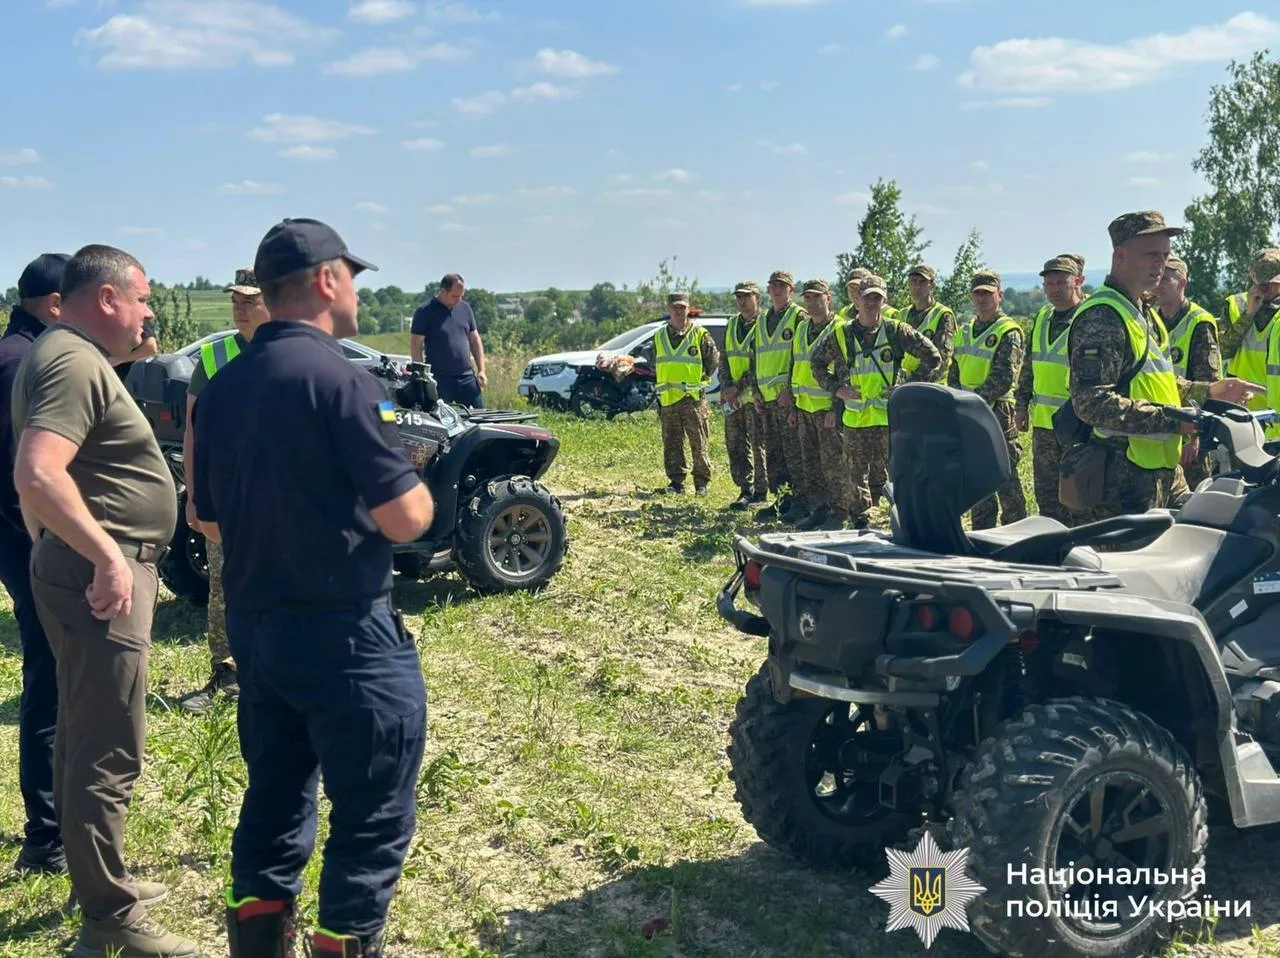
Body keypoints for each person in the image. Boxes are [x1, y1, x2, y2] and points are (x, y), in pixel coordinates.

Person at [193, 217, 435, 957]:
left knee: (273, 798)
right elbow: (405, 520)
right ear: (328, 281)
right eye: (353, 277)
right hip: (345, 636)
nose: (358, 291)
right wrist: (414, 479)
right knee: (369, 818)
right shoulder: (342, 379)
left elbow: (204, 516)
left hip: (260, 629)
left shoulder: (223, 385)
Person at [12, 244, 194, 957]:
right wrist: (107, 555)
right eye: (142, 298)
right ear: (109, 297)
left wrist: (58, 545)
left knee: (85, 733)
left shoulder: (66, 355)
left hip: (84, 568)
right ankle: (109, 921)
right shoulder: (71, 360)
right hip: (102, 576)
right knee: (107, 746)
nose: (149, 312)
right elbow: (37, 471)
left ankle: (100, 882)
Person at [1063, 211, 1257, 519]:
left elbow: (1157, 382)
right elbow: (1091, 403)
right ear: (1121, 256)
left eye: (1165, 256)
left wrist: (1208, 391)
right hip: (1121, 482)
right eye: (1151, 255)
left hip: (1162, 471)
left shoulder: (1144, 312)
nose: (1160, 264)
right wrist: (1174, 422)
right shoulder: (1103, 315)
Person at [176, 267, 273, 715]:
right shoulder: (213, 357)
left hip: (280, 500)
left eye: (250, 300)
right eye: (236, 299)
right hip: (228, 500)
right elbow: (192, 434)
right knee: (223, 585)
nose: (240, 307)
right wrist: (194, 497)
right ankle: (228, 673)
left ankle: (276, 670)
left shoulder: (290, 353)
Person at [0, 254, 68, 876]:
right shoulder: (26, 365)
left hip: (21, 544)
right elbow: (22, 474)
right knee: (48, 689)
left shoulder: (13, 353)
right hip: (31, 548)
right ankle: (46, 836)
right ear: (54, 306)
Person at [813, 274, 941, 528]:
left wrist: (906, 388)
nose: (871, 303)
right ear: (857, 299)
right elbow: (816, 364)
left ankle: (905, 519)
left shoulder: (896, 331)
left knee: (898, 472)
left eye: (877, 298)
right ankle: (861, 521)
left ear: (884, 301)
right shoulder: (842, 335)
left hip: (889, 418)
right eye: (867, 297)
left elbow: (933, 358)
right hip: (856, 418)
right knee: (854, 475)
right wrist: (837, 389)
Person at [949, 269, 1028, 529]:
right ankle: (983, 532)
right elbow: (954, 370)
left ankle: (1016, 531)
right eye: (977, 293)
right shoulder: (965, 330)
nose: (982, 298)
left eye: (987, 293)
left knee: (1005, 474)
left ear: (999, 295)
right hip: (967, 411)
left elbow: (1003, 378)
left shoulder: (1008, 331)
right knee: (976, 474)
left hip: (997, 411)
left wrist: (968, 402)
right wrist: (956, 401)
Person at [1015, 254, 1086, 525]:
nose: (1055, 289)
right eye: (1050, 284)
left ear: (1077, 282)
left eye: (1061, 282)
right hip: (1044, 425)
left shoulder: (1089, 317)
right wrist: (1021, 405)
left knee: (1079, 499)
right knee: (1048, 500)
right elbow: (1030, 365)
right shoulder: (1043, 317)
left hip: (1077, 425)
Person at [1152, 255, 1222, 491]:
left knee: (1195, 500)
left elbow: (1208, 383)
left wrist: (1197, 437)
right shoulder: (1150, 320)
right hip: (1158, 427)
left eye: (1166, 279)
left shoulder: (1199, 322)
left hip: (1190, 433)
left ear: (1182, 283)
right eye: (1156, 278)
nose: (1158, 285)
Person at [744, 270, 806, 520]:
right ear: (768, 290)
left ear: (791, 290)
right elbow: (754, 357)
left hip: (786, 398)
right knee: (774, 454)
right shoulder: (761, 321)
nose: (777, 290)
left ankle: (800, 502)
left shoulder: (798, 317)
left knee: (795, 454)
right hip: (766, 401)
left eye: (783, 286)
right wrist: (755, 391)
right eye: (773, 286)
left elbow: (801, 356)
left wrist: (791, 391)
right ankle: (781, 500)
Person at [787, 279, 845, 530]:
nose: (812, 302)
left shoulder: (840, 328)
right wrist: (793, 406)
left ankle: (839, 512)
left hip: (826, 409)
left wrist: (836, 407)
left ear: (828, 299)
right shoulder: (801, 328)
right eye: (807, 298)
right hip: (804, 407)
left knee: (834, 464)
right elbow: (795, 367)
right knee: (811, 464)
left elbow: (845, 372)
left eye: (817, 297)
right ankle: (818, 510)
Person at [654, 291, 718, 495]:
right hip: (669, 399)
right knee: (672, 442)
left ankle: (702, 484)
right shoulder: (659, 336)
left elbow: (712, 362)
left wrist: (698, 381)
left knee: (698, 443)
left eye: (682, 307)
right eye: (675, 308)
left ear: (688, 309)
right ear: (669, 309)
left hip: (692, 399)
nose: (679, 311)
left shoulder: (700, 335)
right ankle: (676, 483)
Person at [718, 281, 768, 509]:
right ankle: (744, 489)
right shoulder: (732, 324)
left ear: (757, 297)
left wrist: (737, 388)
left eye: (747, 297)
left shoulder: (765, 324)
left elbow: (761, 362)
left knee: (758, 446)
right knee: (736, 444)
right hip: (734, 399)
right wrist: (726, 387)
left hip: (754, 396)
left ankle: (760, 492)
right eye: (739, 297)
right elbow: (725, 358)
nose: (742, 301)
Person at [409, 273, 487, 407]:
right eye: (455, 296)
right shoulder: (425, 312)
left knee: (479, 417)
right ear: (443, 291)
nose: (458, 300)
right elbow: (416, 345)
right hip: (439, 379)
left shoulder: (465, 308)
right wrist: (421, 377)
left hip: (466, 376)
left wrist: (481, 370)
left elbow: (475, 340)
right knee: (439, 422)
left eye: (461, 296)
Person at [898, 263, 956, 382]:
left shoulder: (943, 315)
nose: (917, 286)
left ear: (932, 285)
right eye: (913, 281)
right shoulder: (902, 314)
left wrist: (911, 382)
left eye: (922, 282)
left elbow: (941, 360)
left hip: (931, 386)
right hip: (903, 386)